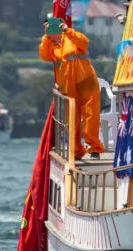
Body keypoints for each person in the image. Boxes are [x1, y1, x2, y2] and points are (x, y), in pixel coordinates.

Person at [38, 18, 104, 159]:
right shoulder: (49, 44)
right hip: (68, 87)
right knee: (71, 118)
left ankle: (94, 148)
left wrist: (67, 30)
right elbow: (44, 56)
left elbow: (84, 42)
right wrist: (45, 35)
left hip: (86, 81)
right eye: (50, 26)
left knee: (91, 115)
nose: (54, 29)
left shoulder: (71, 37)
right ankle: (76, 150)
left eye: (56, 25)